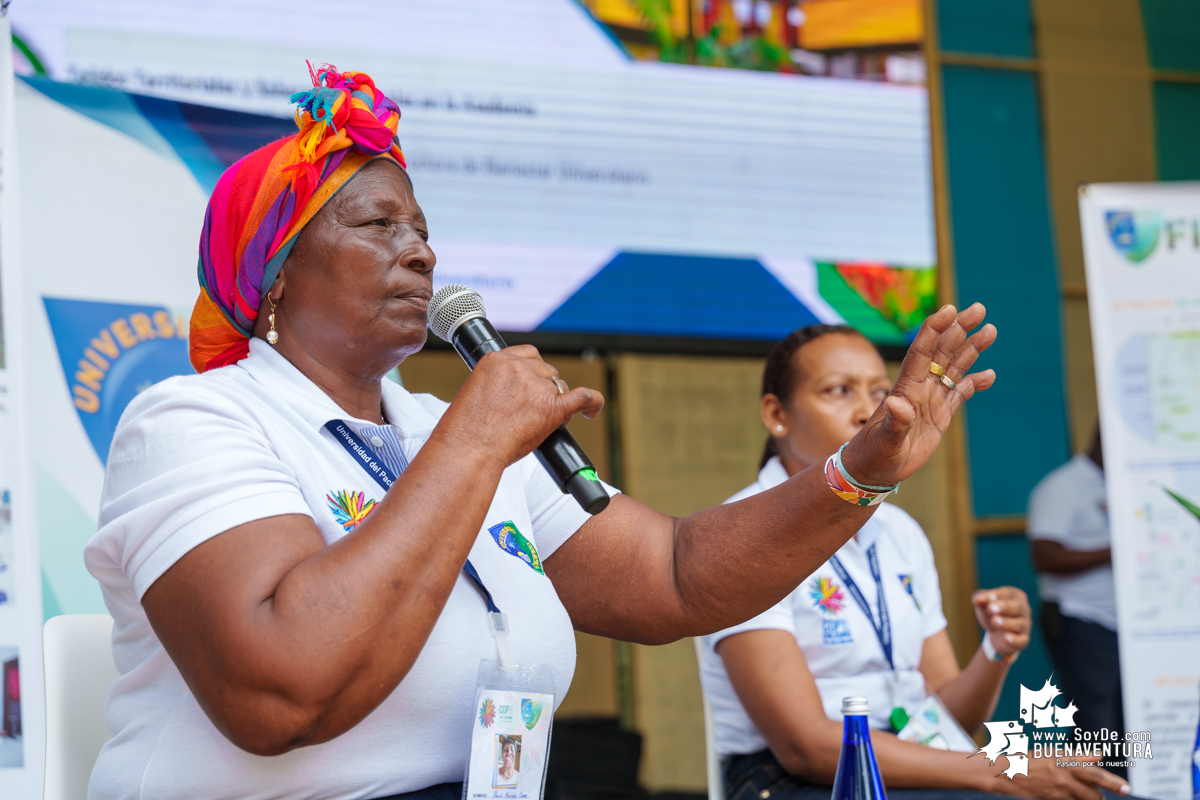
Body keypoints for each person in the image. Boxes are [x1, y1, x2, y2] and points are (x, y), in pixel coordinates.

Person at [85, 65, 997, 800]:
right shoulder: (196, 422)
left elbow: (674, 577)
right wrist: (477, 445)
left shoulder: (444, 432)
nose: (423, 251)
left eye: (424, 228)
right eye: (379, 224)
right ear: (274, 274)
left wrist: (861, 468)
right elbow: (279, 690)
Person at [697, 325, 1133, 800]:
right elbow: (806, 747)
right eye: (839, 391)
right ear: (776, 414)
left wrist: (996, 650)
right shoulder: (743, 534)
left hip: (913, 759)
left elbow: (950, 723)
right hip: (793, 780)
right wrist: (1000, 769)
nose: (868, 411)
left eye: (881, 391)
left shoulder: (900, 531)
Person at [1027, 427, 1122, 745]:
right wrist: (1117, 548)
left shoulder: (1125, 484)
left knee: (1123, 722)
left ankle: (1124, 792)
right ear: (1101, 438)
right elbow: (1046, 557)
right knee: (1095, 723)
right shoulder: (1063, 486)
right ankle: (1090, 793)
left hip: (1124, 625)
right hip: (1081, 619)